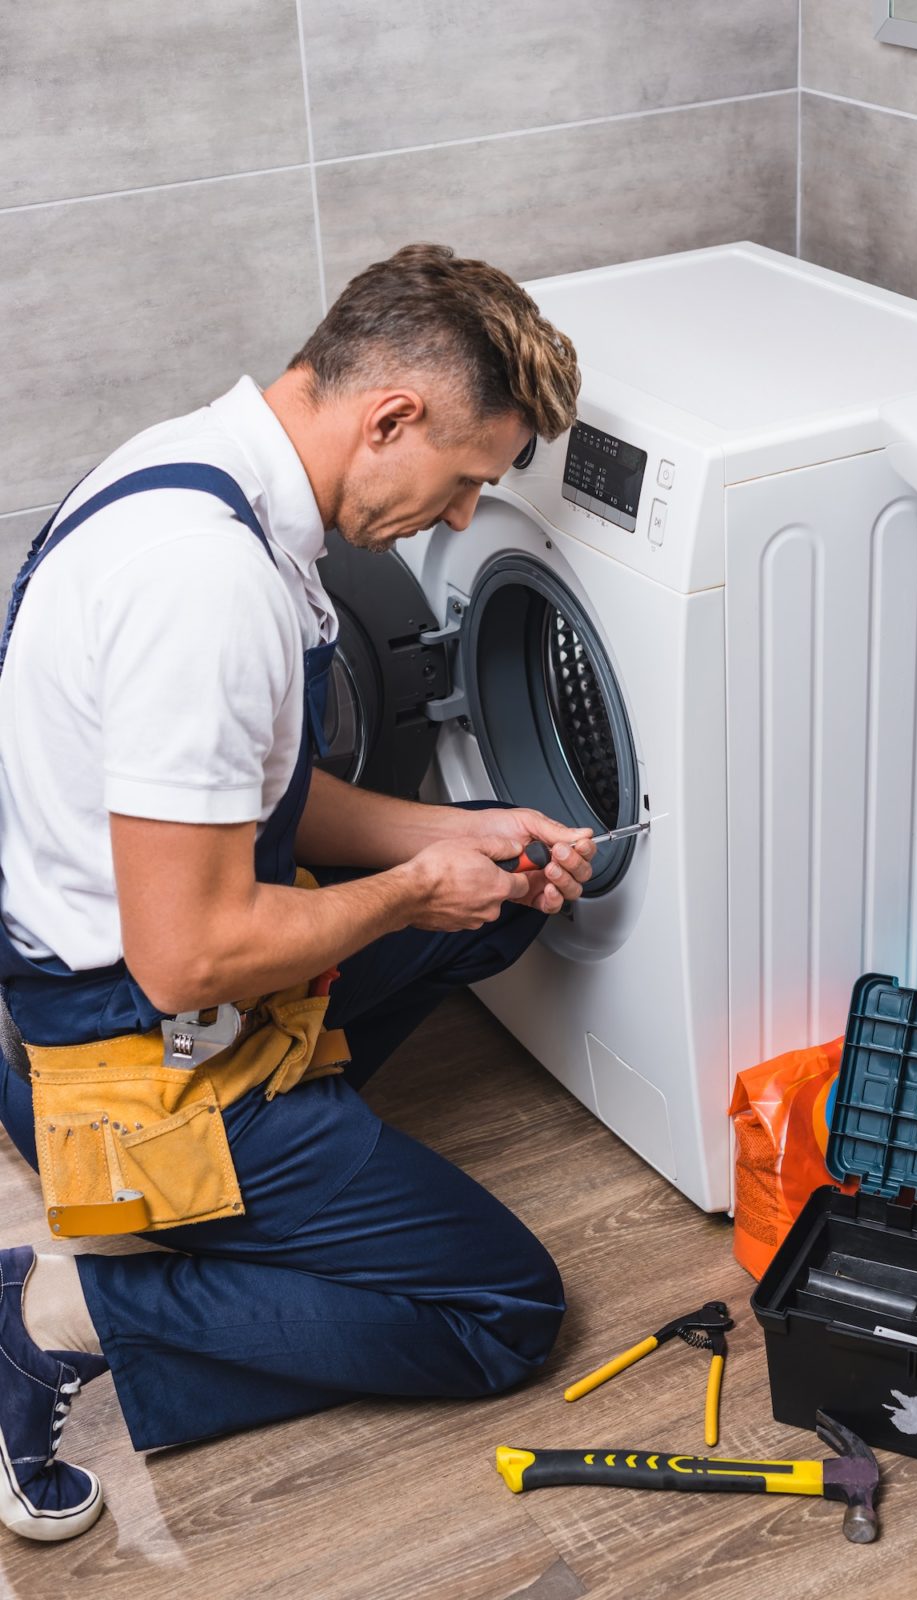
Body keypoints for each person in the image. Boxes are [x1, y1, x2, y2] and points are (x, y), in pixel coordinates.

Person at [0, 243, 589, 1541]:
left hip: (120, 988)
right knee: (508, 1314)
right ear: (391, 418)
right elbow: (185, 959)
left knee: (500, 901)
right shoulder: (205, 587)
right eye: (463, 482)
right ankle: (65, 1310)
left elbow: (257, 800)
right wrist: (403, 893)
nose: (454, 522)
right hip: (141, 1053)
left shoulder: (207, 484)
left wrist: (466, 833)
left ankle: (209, 1201)